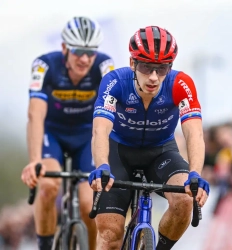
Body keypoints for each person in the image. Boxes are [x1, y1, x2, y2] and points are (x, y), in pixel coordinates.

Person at [89, 25, 210, 250]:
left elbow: (194, 133)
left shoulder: (181, 84)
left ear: (170, 66)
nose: (154, 77)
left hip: (160, 151)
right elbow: (100, 130)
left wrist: (196, 173)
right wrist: (102, 165)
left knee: (184, 200)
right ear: (132, 63)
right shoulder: (115, 82)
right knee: (110, 234)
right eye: (146, 67)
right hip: (119, 153)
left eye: (162, 68)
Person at [20, 16, 114, 250]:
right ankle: (45, 245)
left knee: (87, 203)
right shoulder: (44, 66)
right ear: (64, 48)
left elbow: (113, 114)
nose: (84, 59)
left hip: (86, 136)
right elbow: (35, 115)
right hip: (52, 134)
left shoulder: (105, 67)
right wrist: (34, 162)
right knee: (49, 186)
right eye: (78, 51)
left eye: (90, 52)